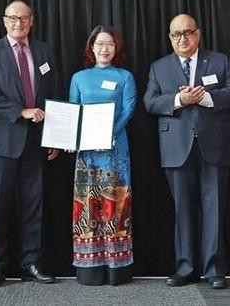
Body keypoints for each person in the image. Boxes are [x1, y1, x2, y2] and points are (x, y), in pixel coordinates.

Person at [143, 13, 230, 290]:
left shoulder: (219, 60)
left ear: (198, 34)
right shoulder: (159, 67)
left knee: (215, 208)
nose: (183, 38)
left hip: (215, 145)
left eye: (188, 33)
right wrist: (179, 99)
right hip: (176, 148)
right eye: (177, 34)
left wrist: (207, 97)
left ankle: (214, 270)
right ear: (170, 38)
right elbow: (149, 101)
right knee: (182, 210)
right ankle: (185, 268)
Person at [0, 0, 59, 288]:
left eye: (23, 18)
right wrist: (20, 111)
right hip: (2, 143)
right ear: (4, 21)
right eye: (13, 18)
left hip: (37, 142)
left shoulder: (44, 51)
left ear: (32, 21)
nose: (18, 23)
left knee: (33, 206)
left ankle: (31, 263)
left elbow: (52, 94)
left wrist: (55, 137)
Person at [68, 25, 137, 286]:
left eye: (109, 44)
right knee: (87, 206)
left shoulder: (125, 77)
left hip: (115, 150)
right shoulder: (79, 77)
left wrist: (108, 135)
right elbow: (73, 111)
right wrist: (73, 139)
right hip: (87, 153)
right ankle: (89, 269)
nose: (104, 48)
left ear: (116, 48)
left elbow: (128, 110)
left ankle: (116, 269)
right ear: (91, 47)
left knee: (115, 208)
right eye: (99, 43)